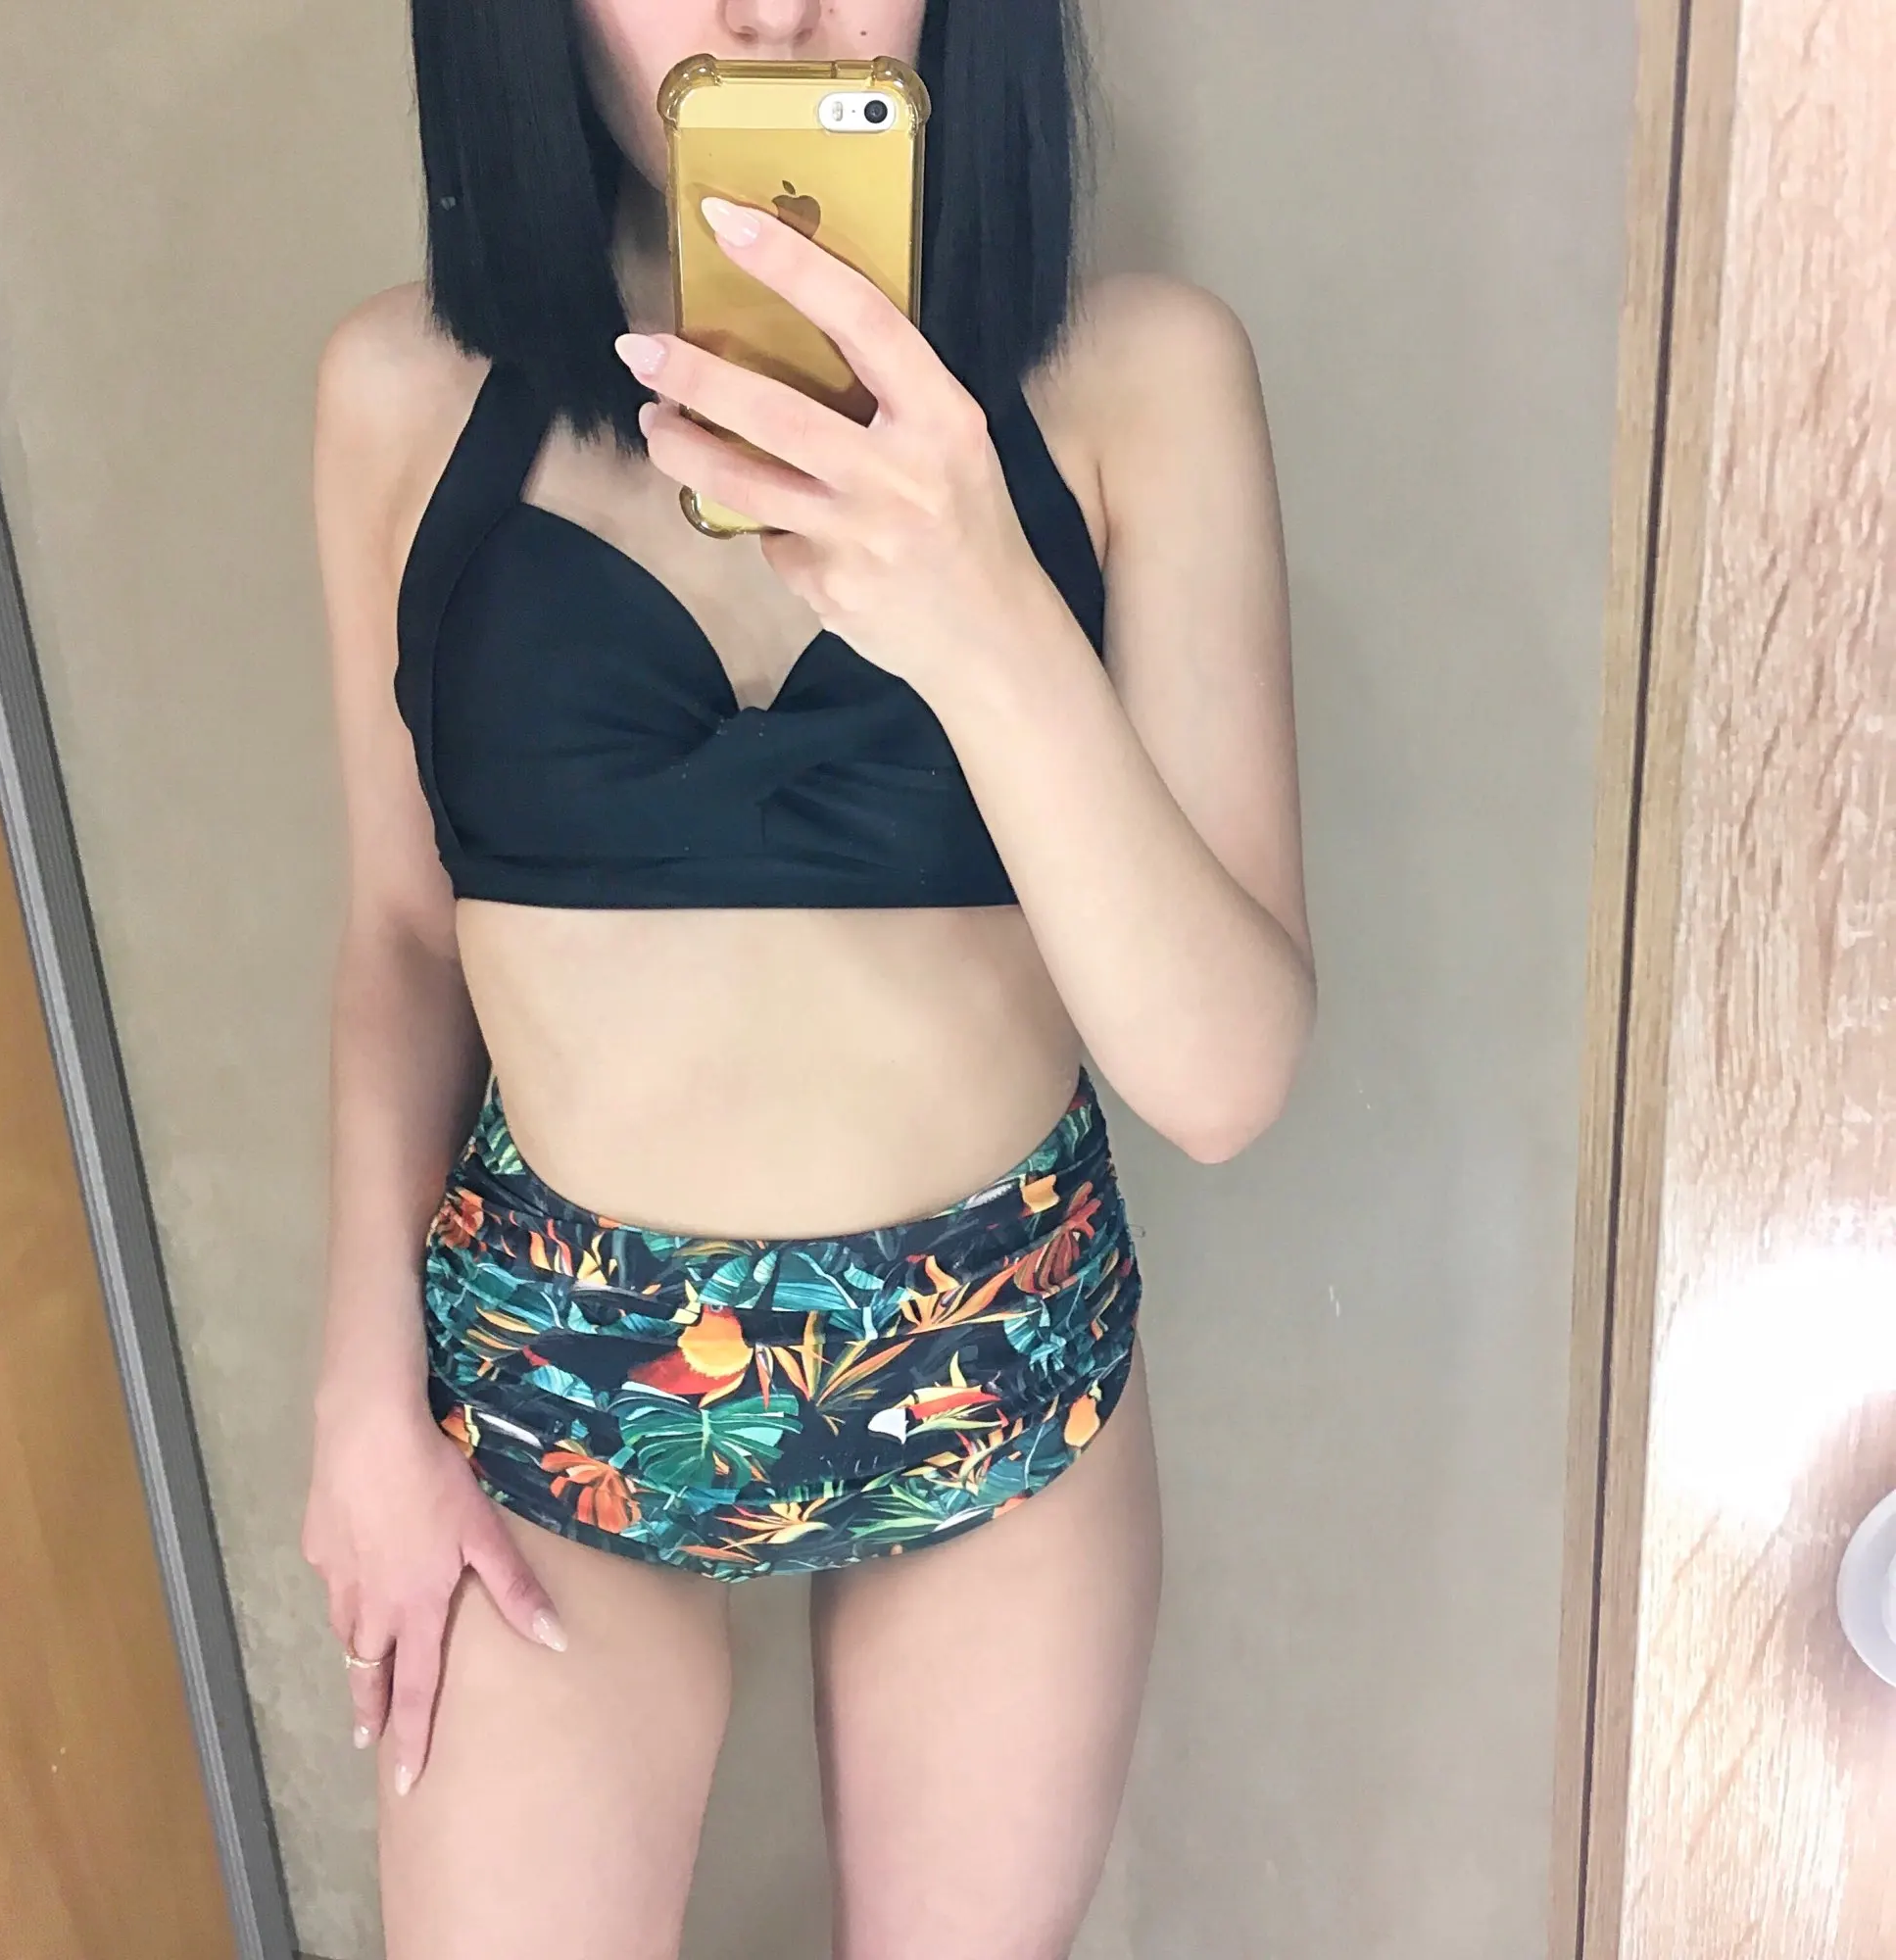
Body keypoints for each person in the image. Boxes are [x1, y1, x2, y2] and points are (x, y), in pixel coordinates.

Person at [300, 0, 1313, 1952]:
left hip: (992, 1364)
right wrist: (358, 1397)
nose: (770, 16)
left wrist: (984, 613)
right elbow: (403, 939)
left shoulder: (1139, 379)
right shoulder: (398, 394)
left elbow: (1225, 1078)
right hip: (550, 1366)